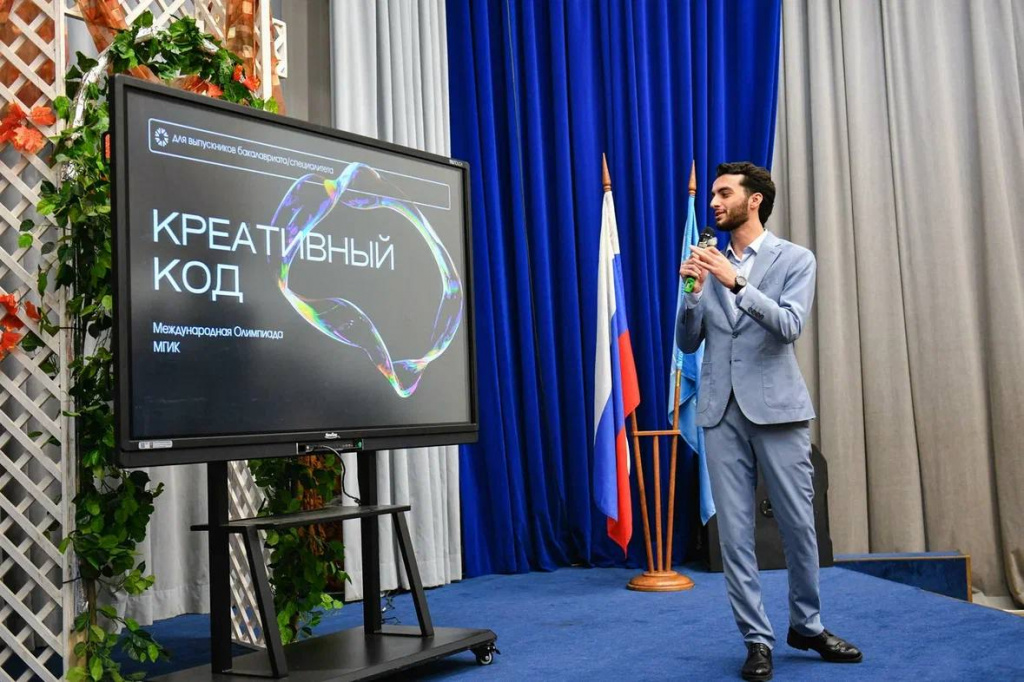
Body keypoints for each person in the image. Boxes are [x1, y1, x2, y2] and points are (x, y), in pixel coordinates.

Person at [677, 162, 862, 681]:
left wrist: (735, 281)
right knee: (734, 534)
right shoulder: (706, 261)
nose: (714, 202)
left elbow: (789, 325)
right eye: (713, 195)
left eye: (724, 193)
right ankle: (756, 639)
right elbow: (688, 342)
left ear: (753, 200)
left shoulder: (795, 259)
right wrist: (693, 292)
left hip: (778, 409)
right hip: (720, 411)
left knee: (799, 525)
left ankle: (807, 625)